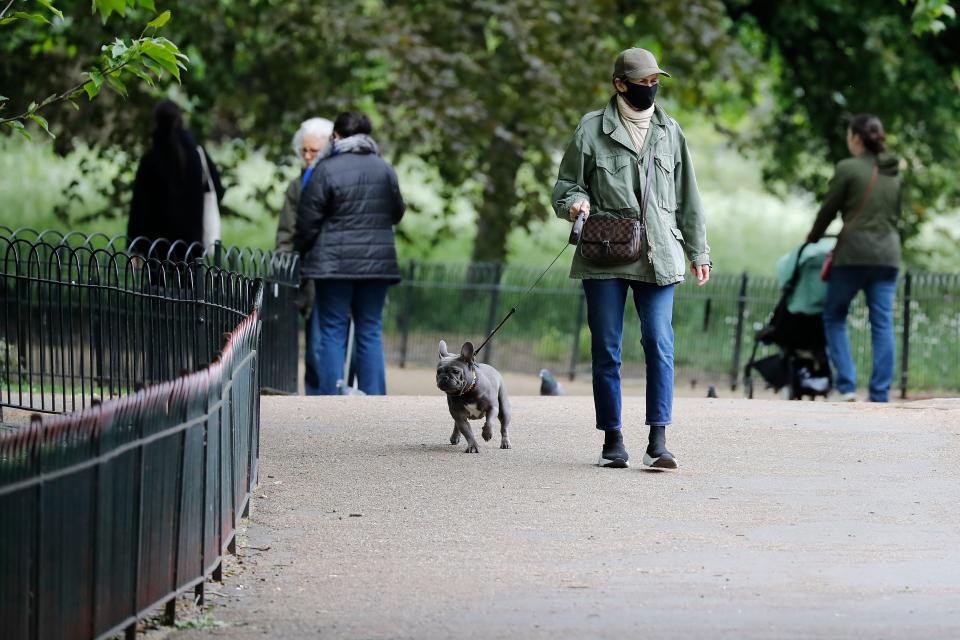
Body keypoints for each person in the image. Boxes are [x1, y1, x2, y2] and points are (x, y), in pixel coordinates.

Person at [552, 47, 711, 470]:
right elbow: (565, 187)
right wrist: (576, 203)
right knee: (606, 348)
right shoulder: (590, 130)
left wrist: (699, 251)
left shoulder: (670, 131)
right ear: (620, 84)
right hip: (606, 251)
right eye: (642, 82)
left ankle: (658, 441)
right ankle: (612, 439)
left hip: (660, 252)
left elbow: (689, 198)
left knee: (659, 342)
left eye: (655, 81)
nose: (650, 89)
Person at [295, 111, 405, 395]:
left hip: (333, 266)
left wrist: (304, 250)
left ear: (337, 136)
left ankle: (331, 395)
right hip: (378, 266)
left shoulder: (326, 169)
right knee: (369, 329)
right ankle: (374, 396)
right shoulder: (384, 168)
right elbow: (397, 212)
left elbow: (307, 219)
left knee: (332, 330)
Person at [806, 114, 902, 402]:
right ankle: (880, 394)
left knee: (835, 315)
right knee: (882, 323)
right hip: (888, 255)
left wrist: (813, 237)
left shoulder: (847, 168)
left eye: (849, 135)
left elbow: (829, 208)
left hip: (853, 255)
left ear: (857, 138)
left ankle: (847, 387)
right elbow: (896, 214)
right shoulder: (893, 171)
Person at [275, 117, 334, 393]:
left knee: (325, 342)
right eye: (304, 150)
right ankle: (315, 397)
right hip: (306, 273)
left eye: (314, 151)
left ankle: (330, 396)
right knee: (313, 344)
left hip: (332, 271)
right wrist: (284, 267)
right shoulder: (297, 186)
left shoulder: (335, 181)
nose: (308, 156)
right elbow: (286, 233)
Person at [128, 100, 224, 262]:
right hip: (191, 244)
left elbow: (139, 206)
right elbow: (218, 190)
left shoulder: (150, 159)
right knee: (190, 286)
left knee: (157, 287)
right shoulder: (197, 156)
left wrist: (135, 247)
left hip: (156, 246)